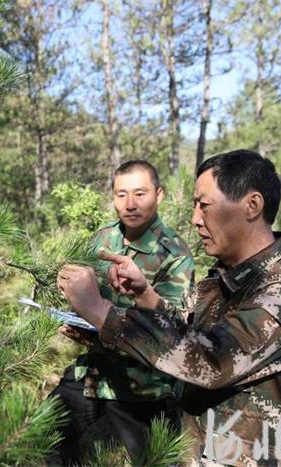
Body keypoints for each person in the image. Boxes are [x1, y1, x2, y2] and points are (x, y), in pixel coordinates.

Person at [57, 150, 281, 466]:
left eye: (204, 206)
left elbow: (212, 359)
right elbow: (184, 334)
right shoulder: (223, 280)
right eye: (195, 205)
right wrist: (144, 297)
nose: (194, 219)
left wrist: (100, 311)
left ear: (252, 205)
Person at [51, 160, 195, 464]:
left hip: (145, 386)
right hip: (94, 373)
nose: (130, 204)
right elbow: (89, 300)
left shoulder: (174, 253)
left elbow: (172, 329)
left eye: (140, 194)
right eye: (121, 194)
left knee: (153, 461)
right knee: (46, 437)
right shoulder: (102, 240)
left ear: (160, 195)